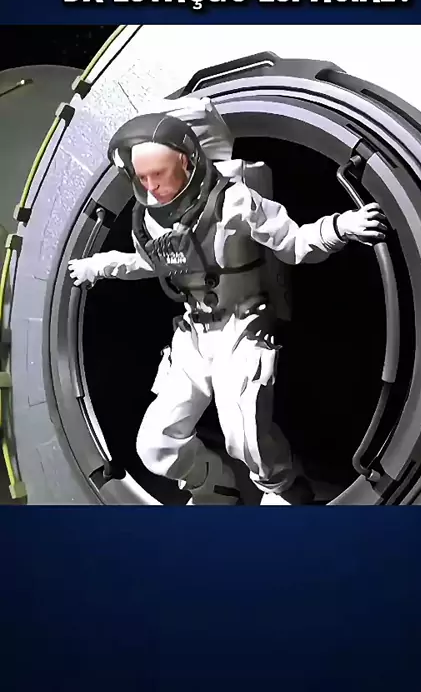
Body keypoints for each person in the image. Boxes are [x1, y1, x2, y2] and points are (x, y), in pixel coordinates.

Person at [68, 105, 388, 506]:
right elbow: (154, 263)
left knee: (247, 438)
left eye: (160, 174)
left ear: (186, 162)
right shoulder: (148, 221)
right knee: (156, 444)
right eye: (143, 178)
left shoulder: (234, 202)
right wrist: (100, 265)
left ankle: (285, 493)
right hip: (192, 336)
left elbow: (293, 243)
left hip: (241, 327)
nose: (152, 187)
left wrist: (340, 227)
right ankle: (213, 487)